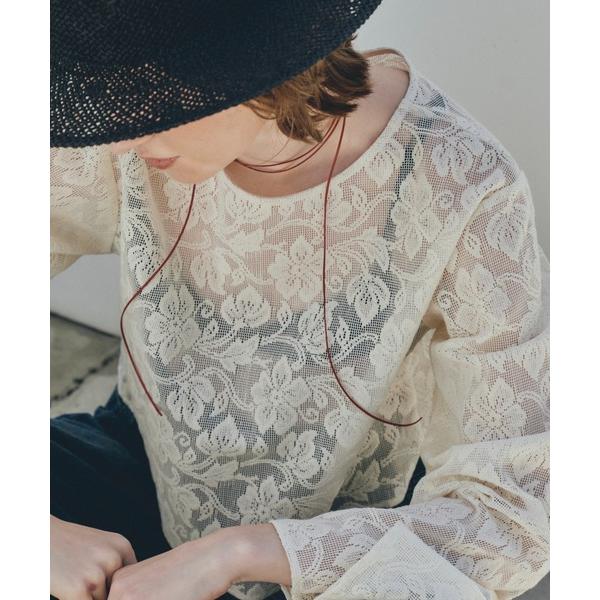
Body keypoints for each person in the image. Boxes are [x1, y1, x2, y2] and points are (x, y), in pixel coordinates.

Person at [50, 1, 550, 599]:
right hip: (144, 463)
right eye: (109, 97)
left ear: (249, 61)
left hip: (342, 535)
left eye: (150, 99)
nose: (117, 140)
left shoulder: (460, 182)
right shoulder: (129, 131)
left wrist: (236, 553)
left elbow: (513, 511)